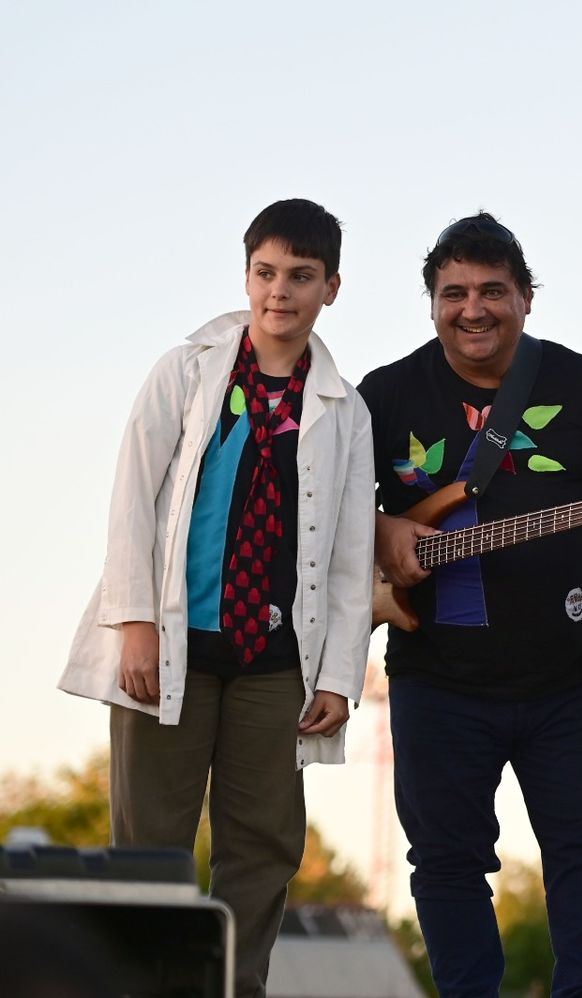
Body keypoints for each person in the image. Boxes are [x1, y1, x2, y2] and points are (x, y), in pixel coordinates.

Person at [59, 198, 375, 997]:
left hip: (273, 661)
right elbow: (133, 495)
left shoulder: (345, 411)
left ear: (331, 287)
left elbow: (346, 555)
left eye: (302, 276)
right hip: (170, 647)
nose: (281, 292)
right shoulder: (186, 370)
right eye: (267, 273)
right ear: (246, 275)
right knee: (152, 845)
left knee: (264, 844)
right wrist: (133, 621)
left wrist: (338, 674)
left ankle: (236, 989)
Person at [359, 213, 582, 997]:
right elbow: (318, 505)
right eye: (453, 292)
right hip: (437, 678)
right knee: (448, 865)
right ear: (431, 303)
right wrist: (383, 525)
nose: (473, 308)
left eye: (493, 290)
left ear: (526, 298)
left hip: (573, 677)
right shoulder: (385, 395)